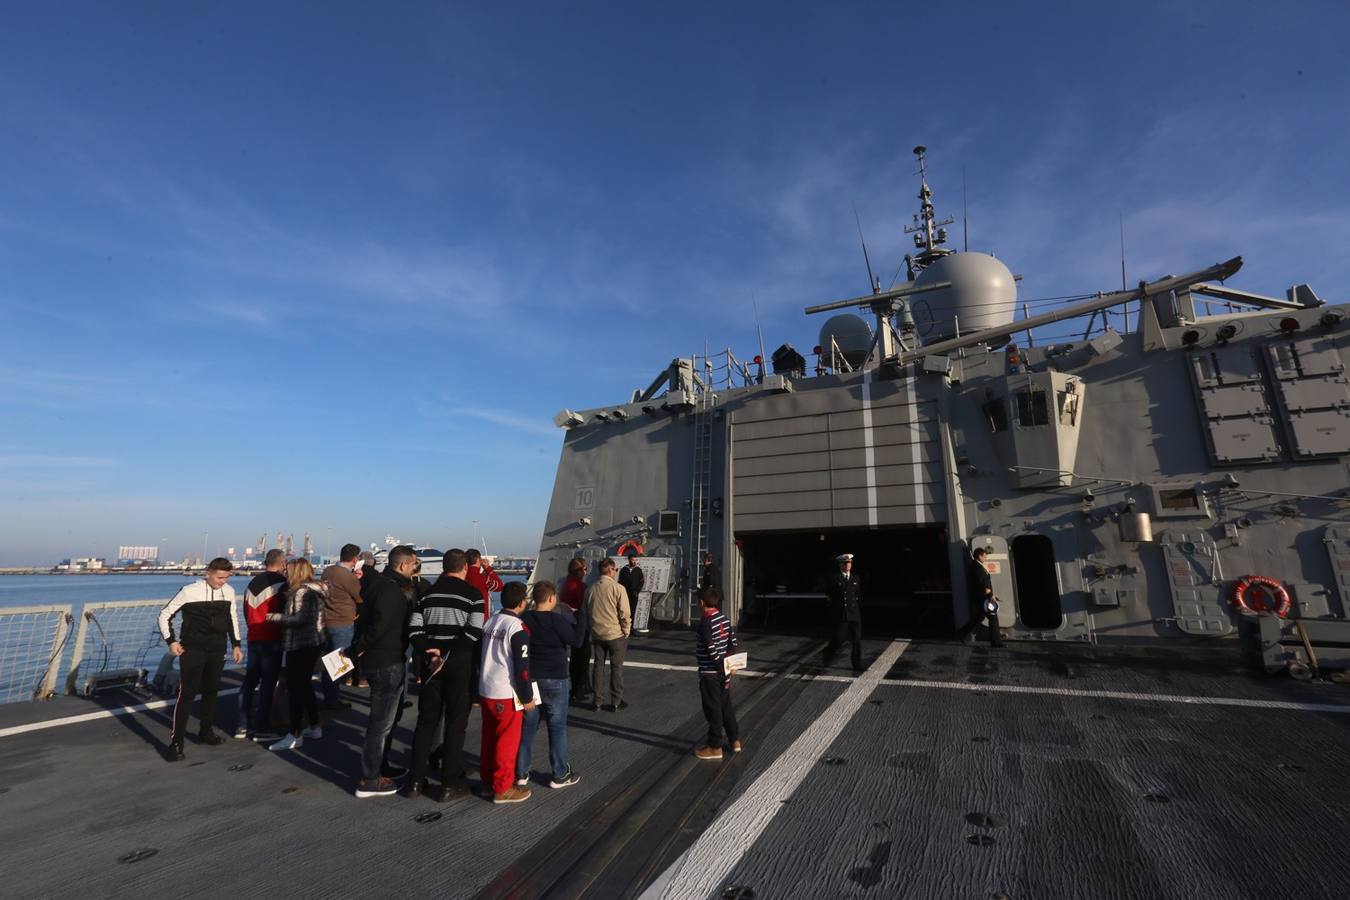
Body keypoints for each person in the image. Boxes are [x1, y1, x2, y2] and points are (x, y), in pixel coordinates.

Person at [404, 548, 485, 801]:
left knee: (426, 722)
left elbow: (414, 630)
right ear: (464, 569)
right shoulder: (474, 595)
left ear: (443, 567)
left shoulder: (425, 596)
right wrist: (447, 655)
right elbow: (473, 633)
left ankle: (415, 781)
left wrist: (432, 653)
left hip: (431, 666)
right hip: (459, 665)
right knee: (455, 724)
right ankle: (449, 783)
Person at [157, 557, 243, 761]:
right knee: (186, 694)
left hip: (217, 648)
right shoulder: (189, 591)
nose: (223, 581)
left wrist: (236, 644)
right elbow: (164, 615)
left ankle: (206, 732)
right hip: (192, 649)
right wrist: (171, 641)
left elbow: (232, 618)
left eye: (227, 577)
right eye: (220, 577)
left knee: (212, 691)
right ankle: (176, 742)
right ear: (208, 573)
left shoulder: (229, 592)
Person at [350, 548, 418, 798]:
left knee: (387, 719)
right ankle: (369, 779)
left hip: (381, 658)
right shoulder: (391, 591)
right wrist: (357, 648)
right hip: (386, 659)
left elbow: (365, 620)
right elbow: (380, 625)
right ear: (402, 566)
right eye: (413, 565)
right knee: (381, 722)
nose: (415, 569)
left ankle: (381, 766)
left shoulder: (377, 584)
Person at [516, 581, 583, 789]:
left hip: (531, 680)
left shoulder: (523, 619)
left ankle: (521, 772)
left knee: (528, 726)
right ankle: (559, 773)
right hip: (556, 678)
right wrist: (582, 617)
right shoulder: (557, 620)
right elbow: (577, 641)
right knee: (557, 726)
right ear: (552, 598)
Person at [479, 581, 535, 803]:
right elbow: (522, 668)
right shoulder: (517, 628)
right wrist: (527, 697)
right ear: (522, 603)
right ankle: (502, 788)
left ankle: (487, 780)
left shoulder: (490, 622)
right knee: (507, 742)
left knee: (489, 737)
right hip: (505, 691)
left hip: (486, 688)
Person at [270, 558, 327, 752]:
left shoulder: (300, 592)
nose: (285, 573)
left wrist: (274, 617)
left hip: (299, 644)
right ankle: (314, 725)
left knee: (295, 690)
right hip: (313, 643)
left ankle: (294, 734)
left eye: (288, 570)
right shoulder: (317, 590)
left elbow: (300, 618)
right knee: (305, 686)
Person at [235, 548, 287, 740]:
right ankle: (262, 726)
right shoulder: (282, 585)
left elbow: (247, 612)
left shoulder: (252, 584)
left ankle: (242, 724)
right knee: (268, 682)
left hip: (254, 636)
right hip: (272, 638)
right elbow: (286, 612)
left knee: (250, 680)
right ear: (282, 563)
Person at [693, 587, 741, 761]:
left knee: (712, 709)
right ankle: (734, 739)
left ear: (701, 603)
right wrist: (728, 664)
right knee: (725, 705)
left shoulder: (705, 622)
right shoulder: (725, 619)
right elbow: (733, 643)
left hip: (710, 673)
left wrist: (720, 665)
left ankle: (715, 746)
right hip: (725, 671)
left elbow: (711, 649)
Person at [321, 544, 363, 710]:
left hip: (326, 620)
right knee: (338, 664)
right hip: (342, 621)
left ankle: (329, 697)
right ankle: (333, 700)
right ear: (354, 559)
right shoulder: (348, 577)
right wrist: (357, 579)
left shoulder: (328, 571)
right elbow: (359, 597)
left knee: (328, 661)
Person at [586, 558, 631, 712]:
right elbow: (625, 613)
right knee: (616, 668)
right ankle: (616, 701)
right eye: (615, 570)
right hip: (615, 635)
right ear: (611, 570)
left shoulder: (590, 589)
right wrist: (627, 631)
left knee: (598, 667)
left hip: (597, 635)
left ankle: (597, 701)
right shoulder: (618, 588)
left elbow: (586, 611)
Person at [823, 553, 863, 672]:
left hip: (854, 613)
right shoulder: (834, 578)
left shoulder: (855, 578)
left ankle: (857, 664)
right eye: (844, 563)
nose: (847, 565)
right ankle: (828, 654)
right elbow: (829, 594)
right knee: (839, 639)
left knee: (857, 640)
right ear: (840, 564)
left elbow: (857, 595)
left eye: (849, 563)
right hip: (841, 614)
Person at [558, 558, 591, 704]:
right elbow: (583, 606)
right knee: (582, 656)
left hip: (568, 622)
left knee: (575, 657)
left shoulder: (565, 584)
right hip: (579, 623)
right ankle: (579, 689)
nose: (586, 571)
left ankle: (577, 687)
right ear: (579, 571)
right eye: (584, 569)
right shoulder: (580, 586)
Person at [960, 547, 1004, 648]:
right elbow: (983, 582)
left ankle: (962, 633)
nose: (985, 558)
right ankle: (996, 642)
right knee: (993, 617)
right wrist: (990, 595)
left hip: (981, 597)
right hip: (983, 597)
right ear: (979, 556)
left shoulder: (977, 566)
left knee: (979, 617)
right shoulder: (977, 567)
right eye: (984, 556)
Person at [464, 548, 504, 618]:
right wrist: (487, 568)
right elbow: (500, 586)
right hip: (482, 619)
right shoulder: (484, 579)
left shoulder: (461, 578)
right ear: (478, 560)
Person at [618, 551, 645, 632]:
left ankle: (631, 628)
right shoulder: (623, 570)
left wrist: (637, 591)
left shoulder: (638, 570)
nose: (634, 561)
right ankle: (623, 627)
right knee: (624, 611)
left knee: (633, 611)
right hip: (625, 594)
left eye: (635, 560)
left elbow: (642, 581)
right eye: (633, 560)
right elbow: (620, 582)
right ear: (629, 560)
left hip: (634, 594)